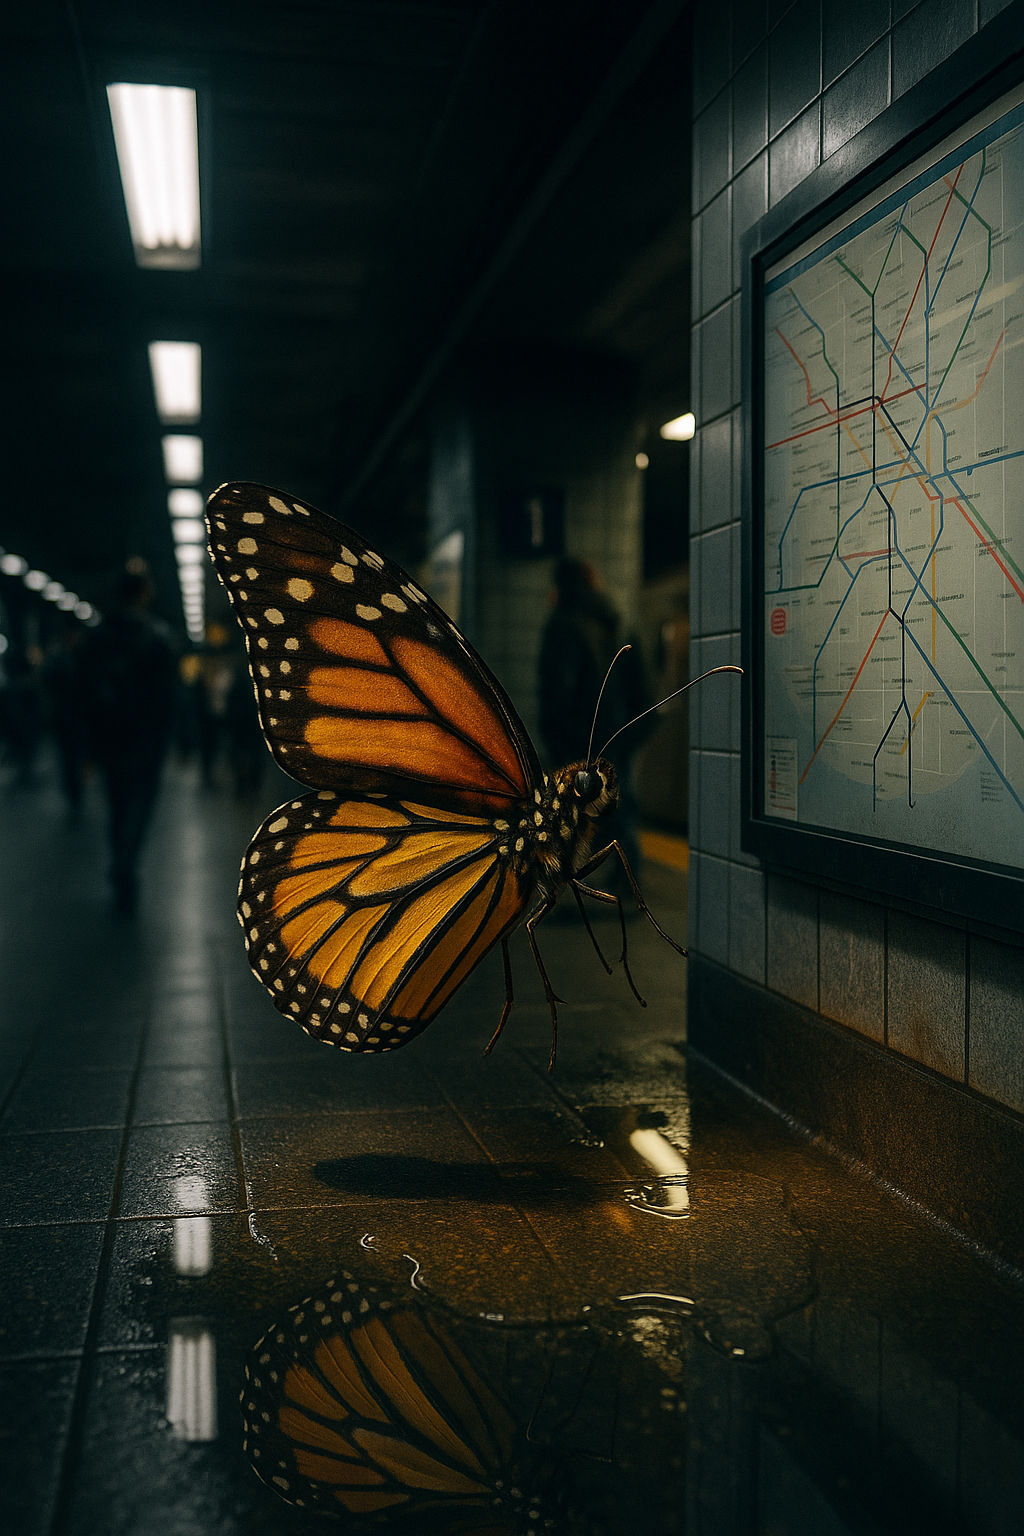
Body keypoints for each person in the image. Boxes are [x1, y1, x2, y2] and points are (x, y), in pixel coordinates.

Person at [537, 556, 651, 891]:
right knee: (618, 806)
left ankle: (560, 886)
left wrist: (557, 736)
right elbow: (640, 686)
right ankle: (626, 883)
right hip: (616, 735)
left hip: (578, 738)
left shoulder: (563, 624)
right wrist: (629, 734)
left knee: (565, 815)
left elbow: (559, 690)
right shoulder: (617, 621)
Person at [80, 559, 177, 913]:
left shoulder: (96, 637)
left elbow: (84, 693)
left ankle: (121, 856)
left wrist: (89, 746)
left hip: (109, 738)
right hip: (146, 740)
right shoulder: (158, 637)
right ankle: (126, 860)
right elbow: (169, 696)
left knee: (117, 804)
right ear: (144, 593)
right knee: (140, 803)